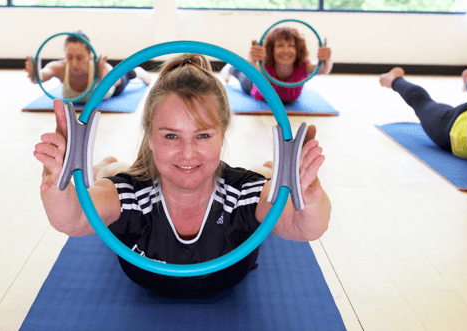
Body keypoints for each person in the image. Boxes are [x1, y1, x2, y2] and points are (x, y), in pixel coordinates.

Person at [34, 54, 332, 296]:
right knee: (113, 172)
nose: (188, 153)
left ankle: (268, 165)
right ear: (149, 137)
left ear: (222, 134)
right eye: (171, 136)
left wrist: (310, 197)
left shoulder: (245, 193)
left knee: (262, 175)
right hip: (137, 180)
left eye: (202, 135)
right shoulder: (128, 195)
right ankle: (107, 165)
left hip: (235, 188)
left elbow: (304, 227)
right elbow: (72, 219)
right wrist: (55, 185)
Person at [25, 31, 152, 103]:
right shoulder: (60, 68)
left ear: (90, 54)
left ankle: (138, 72)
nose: (74, 63)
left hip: (112, 92)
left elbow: (117, 82)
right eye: (69, 57)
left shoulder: (99, 66)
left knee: (123, 73)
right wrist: (35, 74)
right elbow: (42, 76)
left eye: (79, 57)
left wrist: (103, 75)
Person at [219, 27, 332, 103]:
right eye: (280, 46)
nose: (286, 50)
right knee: (242, 73)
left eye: (291, 46)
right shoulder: (265, 66)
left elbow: (324, 70)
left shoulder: (303, 65)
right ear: (271, 50)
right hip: (255, 90)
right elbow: (252, 71)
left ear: (298, 49)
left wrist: (326, 60)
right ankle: (230, 67)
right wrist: (252, 58)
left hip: (287, 99)